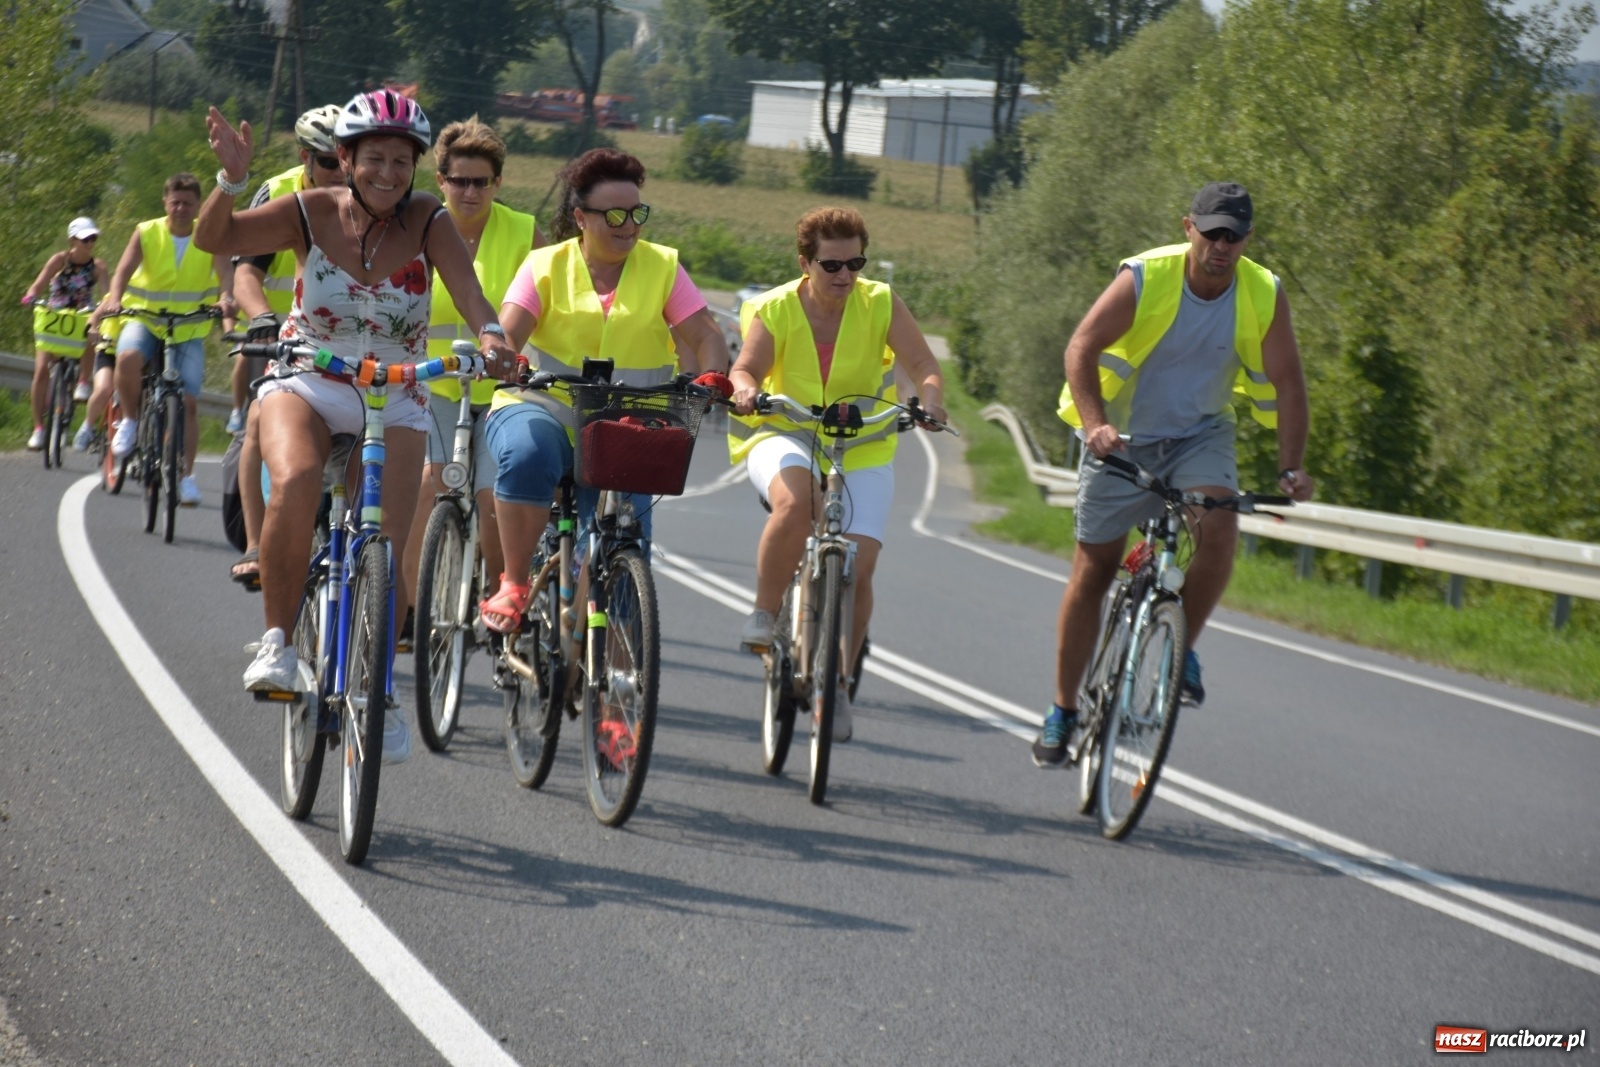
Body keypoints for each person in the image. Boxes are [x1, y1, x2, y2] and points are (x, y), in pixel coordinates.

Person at [195, 90, 515, 762]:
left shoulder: (428, 217)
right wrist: (231, 179)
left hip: (395, 388)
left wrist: (491, 336)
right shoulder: (310, 210)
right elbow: (213, 239)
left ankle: (377, 689)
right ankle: (279, 646)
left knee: (392, 545)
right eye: (374, 159)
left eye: (403, 161)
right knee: (300, 477)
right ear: (345, 158)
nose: (388, 174)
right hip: (310, 375)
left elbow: (469, 291)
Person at [1030, 182, 1316, 768]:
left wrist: (1292, 467)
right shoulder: (1145, 277)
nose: (1222, 245)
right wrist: (1095, 425)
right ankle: (1062, 709)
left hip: (1199, 434)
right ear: (1188, 227)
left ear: (1247, 240)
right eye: (1211, 232)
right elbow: (1081, 346)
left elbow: (1289, 382)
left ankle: (1180, 642)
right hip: (1124, 439)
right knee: (1094, 570)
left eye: (1233, 236)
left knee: (1218, 521)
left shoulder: (1262, 292)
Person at [480, 147, 728, 634]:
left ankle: (620, 697)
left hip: (630, 423)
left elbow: (706, 336)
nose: (629, 225)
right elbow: (509, 333)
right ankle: (512, 582)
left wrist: (712, 376)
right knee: (527, 454)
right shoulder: (544, 265)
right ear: (580, 217)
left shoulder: (662, 267)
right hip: (543, 407)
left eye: (638, 213)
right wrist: (504, 358)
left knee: (628, 546)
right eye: (615, 214)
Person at [727, 206, 946, 743]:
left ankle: (839, 683)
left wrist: (932, 402)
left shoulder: (880, 303)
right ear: (805, 263)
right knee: (796, 505)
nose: (845, 275)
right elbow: (745, 369)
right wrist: (747, 391)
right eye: (832, 265)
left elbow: (924, 366)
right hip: (785, 432)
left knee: (861, 564)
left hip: (862, 443)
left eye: (855, 263)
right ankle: (763, 612)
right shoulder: (775, 309)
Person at [398, 116, 541, 639]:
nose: (470, 191)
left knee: (492, 500)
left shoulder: (525, 233)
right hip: (433, 388)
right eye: (459, 180)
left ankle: (507, 597)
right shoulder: (414, 230)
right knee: (426, 489)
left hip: (504, 392)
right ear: (441, 180)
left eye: (481, 181)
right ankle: (409, 612)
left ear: (498, 183)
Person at [226, 103, 344, 588]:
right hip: (286, 339)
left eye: (348, 156)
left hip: (358, 349)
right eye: (330, 161)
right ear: (305, 158)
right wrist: (261, 317)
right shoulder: (278, 192)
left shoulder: (373, 196)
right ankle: (257, 545)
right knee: (256, 418)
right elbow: (246, 271)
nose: (342, 170)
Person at [92, 174, 236, 506]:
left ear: (198, 205)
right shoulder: (147, 231)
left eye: (188, 203)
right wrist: (114, 297)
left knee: (188, 403)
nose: (181, 208)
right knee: (127, 358)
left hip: (188, 328)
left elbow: (225, 272)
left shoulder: (209, 234)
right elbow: (124, 270)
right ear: (165, 203)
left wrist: (226, 296)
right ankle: (129, 420)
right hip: (147, 318)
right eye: (176, 202)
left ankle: (186, 477)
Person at [22, 217, 107, 450]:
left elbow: (107, 295)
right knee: (41, 371)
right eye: (84, 238)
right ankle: (39, 428)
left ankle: (83, 381)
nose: (89, 242)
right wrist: (31, 297)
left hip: (82, 315)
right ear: (72, 240)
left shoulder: (98, 267)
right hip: (55, 319)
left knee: (92, 330)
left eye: (93, 238)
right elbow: (38, 284)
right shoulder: (59, 260)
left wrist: (102, 311)